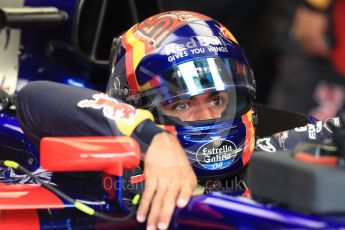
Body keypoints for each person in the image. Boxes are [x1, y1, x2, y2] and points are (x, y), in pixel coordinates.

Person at [16, 11, 342, 230]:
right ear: (132, 105)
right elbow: (33, 98)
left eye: (218, 99)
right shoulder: (121, 169)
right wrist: (152, 139)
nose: (208, 116)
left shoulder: (280, 144)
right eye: (182, 104)